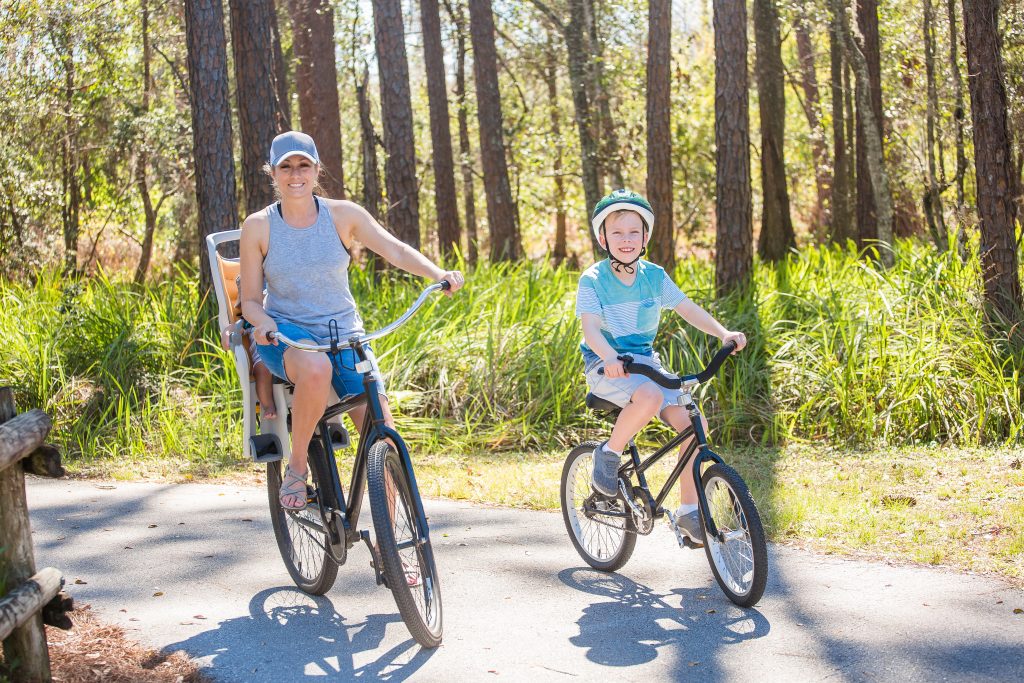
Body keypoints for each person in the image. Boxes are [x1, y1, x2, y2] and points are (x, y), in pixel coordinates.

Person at [240, 131, 464, 511]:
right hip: (287, 338)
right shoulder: (259, 226)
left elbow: (394, 248)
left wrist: (435, 272)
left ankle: (392, 544)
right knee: (314, 368)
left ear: (316, 169)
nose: (296, 175)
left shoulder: (343, 215)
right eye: (286, 167)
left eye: (304, 165)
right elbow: (249, 301)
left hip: (345, 337)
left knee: (384, 437)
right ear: (273, 173)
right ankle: (297, 468)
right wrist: (263, 324)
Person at [575, 189, 746, 546]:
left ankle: (688, 511)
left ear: (645, 237)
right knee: (650, 395)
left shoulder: (654, 276)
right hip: (605, 364)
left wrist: (723, 333)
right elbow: (590, 328)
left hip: (645, 362)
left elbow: (687, 308)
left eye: (633, 232)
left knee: (693, 423)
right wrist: (608, 357)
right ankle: (608, 454)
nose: (626, 240)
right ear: (603, 237)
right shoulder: (592, 279)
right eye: (617, 232)